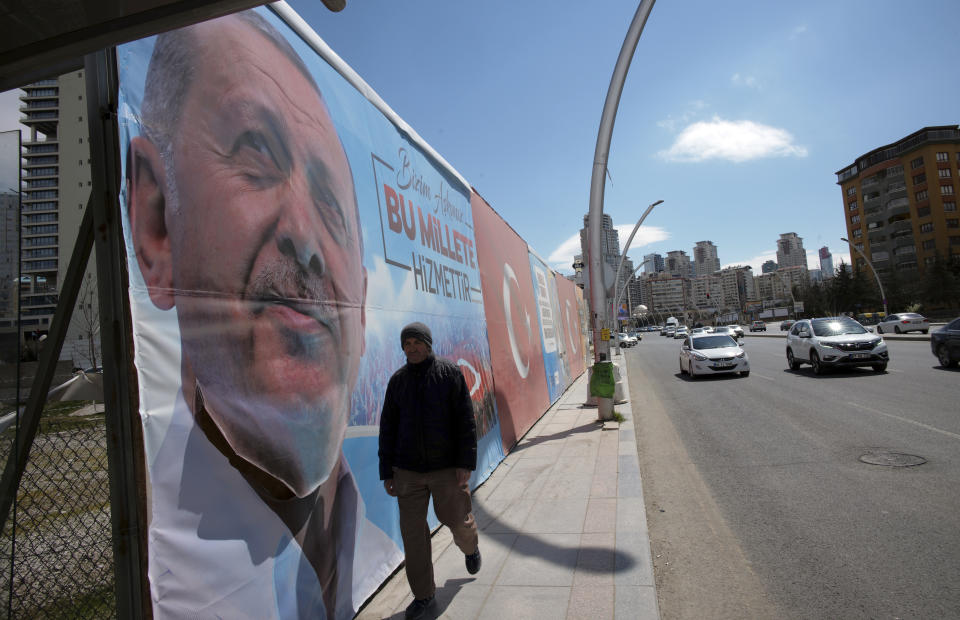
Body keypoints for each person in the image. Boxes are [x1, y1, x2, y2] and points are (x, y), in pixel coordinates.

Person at [126, 10, 399, 619]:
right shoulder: (169, 569)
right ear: (155, 223)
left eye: (330, 206)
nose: (304, 236)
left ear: (360, 293)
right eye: (255, 152)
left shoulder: (375, 547)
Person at [378, 322, 481, 620]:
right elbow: (388, 429)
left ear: (428, 343)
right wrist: (388, 471)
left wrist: (465, 463)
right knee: (413, 536)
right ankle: (424, 594)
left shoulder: (449, 375)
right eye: (406, 344)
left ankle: (470, 547)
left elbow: (465, 420)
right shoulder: (397, 382)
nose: (411, 349)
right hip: (407, 473)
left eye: (416, 343)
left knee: (458, 522)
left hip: (446, 469)